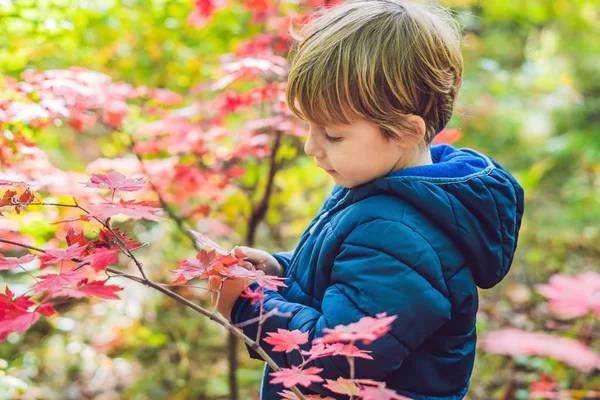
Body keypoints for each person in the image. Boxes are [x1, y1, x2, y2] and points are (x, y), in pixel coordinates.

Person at [211, 0, 524, 398]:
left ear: (406, 132)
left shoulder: (401, 233)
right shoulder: (383, 190)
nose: (311, 147)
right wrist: (279, 268)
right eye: (309, 126)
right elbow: (341, 279)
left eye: (333, 135)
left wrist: (249, 308)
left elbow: (340, 356)